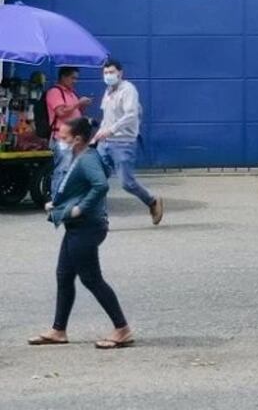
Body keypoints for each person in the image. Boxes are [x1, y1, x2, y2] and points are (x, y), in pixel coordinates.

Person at [29, 117, 133, 350]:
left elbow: (101, 185)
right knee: (64, 275)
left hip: (88, 225)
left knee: (91, 278)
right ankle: (58, 330)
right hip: (77, 226)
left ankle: (122, 329)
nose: (59, 140)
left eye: (63, 137)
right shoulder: (77, 156)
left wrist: (79, 208)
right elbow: (74, 186)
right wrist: (57, 205)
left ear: (77, 139)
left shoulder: (87, 159)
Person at [91, 60, 162, 225]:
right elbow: (106, 118)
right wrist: (97, 136)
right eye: (105, 72)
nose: (108, 75)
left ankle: (152, 201)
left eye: (111, 72)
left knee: (127, 183)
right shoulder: (108, 91)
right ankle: (101, 219)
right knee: (98, 179)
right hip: (104, 143)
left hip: (123, 142)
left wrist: (112, 129)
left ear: (120, 73)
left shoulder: (128, 90)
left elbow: (130, 115)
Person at [47, 67, 92, 192]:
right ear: (63, 77)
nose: (75, 81)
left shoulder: (71, 93)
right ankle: (56, 200)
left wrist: (81, 107)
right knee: (62, 170)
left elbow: (74, 112)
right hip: (62, 139)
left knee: (73, 170)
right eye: (73, 78)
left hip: (75, 139)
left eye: (76, 78)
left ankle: (69, 197)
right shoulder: (55, 92)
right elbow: (61, 112)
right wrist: (78, 103)